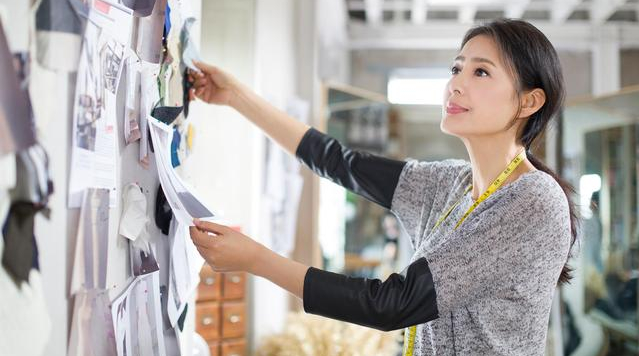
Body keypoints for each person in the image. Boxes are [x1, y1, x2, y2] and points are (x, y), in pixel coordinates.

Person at [188, 19, 580, 356]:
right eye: (455, 69)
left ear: (529, 102)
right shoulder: (450, 184)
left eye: (480, 72)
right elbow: (339, 162)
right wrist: (235, 96)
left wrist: (256, 260)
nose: (455, 85)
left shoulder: (533, 201)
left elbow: (393, 304)